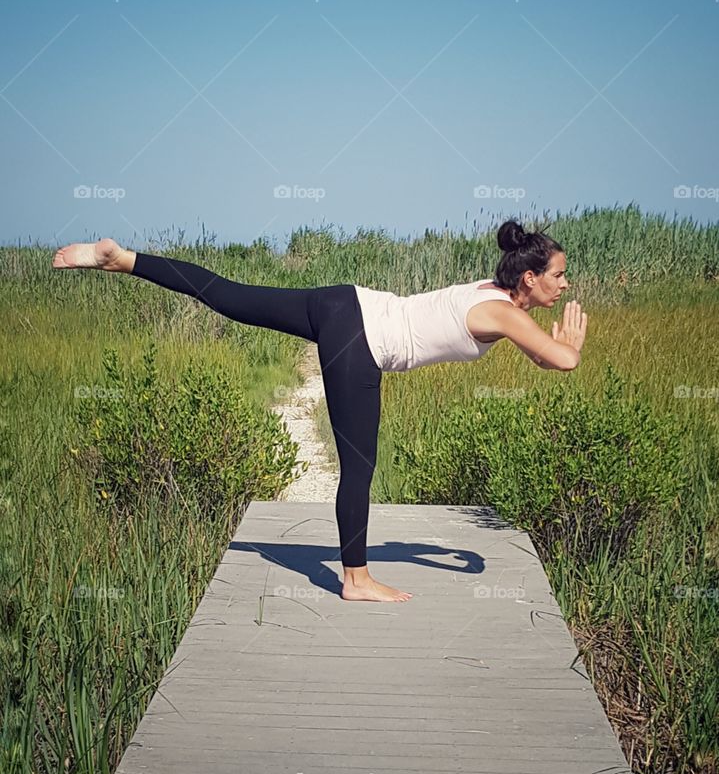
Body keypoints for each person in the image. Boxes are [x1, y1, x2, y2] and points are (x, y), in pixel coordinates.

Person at [52, 219, 587, 603]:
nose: (565, 285)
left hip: (343, 301)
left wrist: (553, 352)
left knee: (230, 294)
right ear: (529, 280)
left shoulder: (491, 293)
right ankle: (354, 579)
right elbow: (560, 360)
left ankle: (123, 261)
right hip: (360, 340)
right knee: (358, 469)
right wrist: (572, 349)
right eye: (559, 276)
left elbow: (540, 356)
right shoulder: (502, 309)